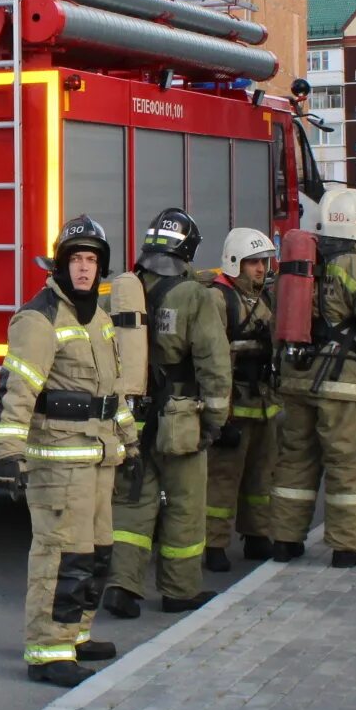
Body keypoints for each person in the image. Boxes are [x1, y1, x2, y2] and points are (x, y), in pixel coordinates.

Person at [0, 215, 136, 687]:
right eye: (76, 259)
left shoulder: (98, 317)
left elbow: (112, 393)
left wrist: (129, 443)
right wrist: (7, 452)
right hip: (57, 460)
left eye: (92, 260)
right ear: (61, 264)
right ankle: (48, 652)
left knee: (95, 553)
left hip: (96, 457)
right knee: (60, 556)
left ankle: (74, 636)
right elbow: (17, 389)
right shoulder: (39, 317)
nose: (85, 269)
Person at [104, 209, 233, 617]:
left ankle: (122, 586)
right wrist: (215, 420)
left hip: (132, 417)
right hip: (180, 418)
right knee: (184, 503)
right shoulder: (195, 295)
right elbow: (214, 362)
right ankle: (180, 590)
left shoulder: (125, 291)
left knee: (131, 504)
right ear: (187, 249)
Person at [270, 187, 356, 566]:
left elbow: (278, 322)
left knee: (295, 458)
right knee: (348, 463)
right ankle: (348, 546)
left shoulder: (299, 266)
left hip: (296, 378)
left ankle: (285, 539)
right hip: (343, 385)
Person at [196, 228, 281, 569]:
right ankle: (214, 545)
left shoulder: (263, 298)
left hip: (263, 404)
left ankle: (257, 536)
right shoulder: (219, 299)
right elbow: (213, 360)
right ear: (235, 263)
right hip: (232, 407)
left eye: (263, 262)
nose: (260, 269)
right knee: (223, 477)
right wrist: (221, 416)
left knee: (261, 475)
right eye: (252, 263)